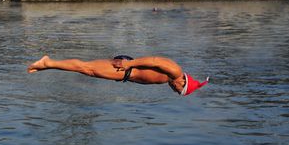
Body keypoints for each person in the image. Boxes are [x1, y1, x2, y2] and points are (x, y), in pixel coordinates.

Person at [27, 55, 209, 96]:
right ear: (183, 81)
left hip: (123, 73)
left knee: (86, 70)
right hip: (125, 68)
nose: (175, 90)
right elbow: (154, 60)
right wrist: (128, 63)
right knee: (86, 68)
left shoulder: (168, 79)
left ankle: (48, 65)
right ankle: (47, 63)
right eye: (179, 90)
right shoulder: (175, 70)